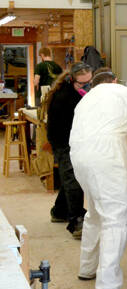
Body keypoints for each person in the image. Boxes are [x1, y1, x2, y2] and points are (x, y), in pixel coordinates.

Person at [70, 67, 127, 289]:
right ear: (115, 80)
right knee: (115, 221)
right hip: (106, 159)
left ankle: (86, 268)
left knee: (95, 213)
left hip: (80, 159)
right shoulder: (121, 91)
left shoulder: (85, 101)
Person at [44, 62, 92, 239]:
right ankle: (76, 221)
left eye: (89, 82)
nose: (87, 86)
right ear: (72, 80)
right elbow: (64, 128)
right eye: (82, 83)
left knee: (68, 178)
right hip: (63, 141)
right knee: (73, 180)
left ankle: (59, 212)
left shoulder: (78, 92)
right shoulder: (64, 97)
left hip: (73, 139)